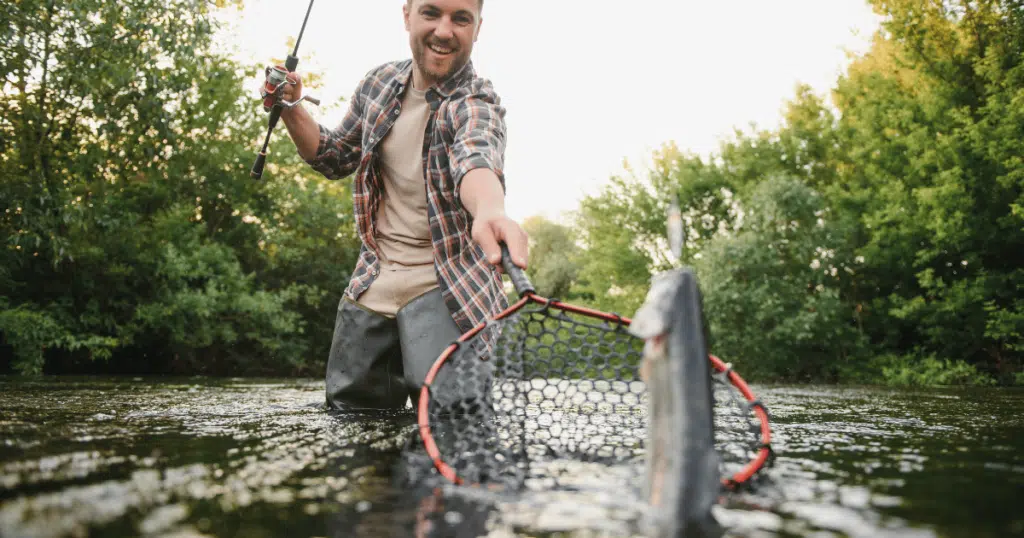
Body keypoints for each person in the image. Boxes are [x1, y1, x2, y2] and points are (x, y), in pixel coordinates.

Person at [276, 0, 528, 412]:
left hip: (448, 289)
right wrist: (289, 108)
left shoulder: (476, 103)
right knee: (351, 427)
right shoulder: (378, 83)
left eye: (461, 18)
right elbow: (335, 156)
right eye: (432, 13)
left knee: (454, 427)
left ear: (478, 28)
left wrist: (489, 212)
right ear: (407, 15)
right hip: (371, 284)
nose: (445, 31)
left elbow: (477, 159)